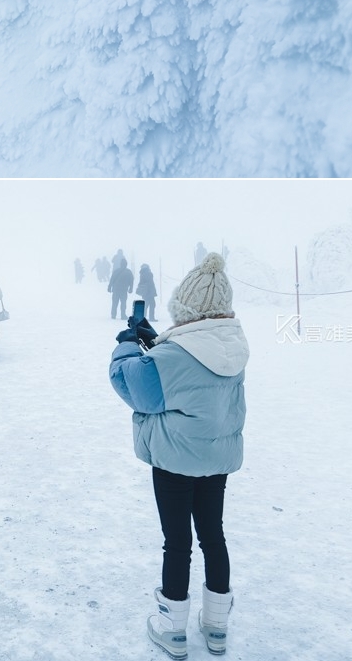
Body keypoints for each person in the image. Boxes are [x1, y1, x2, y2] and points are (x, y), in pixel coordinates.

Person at [108, 253, 248, 658]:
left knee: (177, 542)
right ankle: (217, 626)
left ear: (185, 309)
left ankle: (172, 629)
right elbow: (193, 369)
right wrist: (158, 341)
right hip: (216, 459)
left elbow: (135, 387)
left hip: (174, 461)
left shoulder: (172, 356)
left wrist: (128, 346)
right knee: (212, 536)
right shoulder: (233, 346)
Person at [107, 256, 134, 320]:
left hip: (116, 290)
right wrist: (131, 288)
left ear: (120, 264)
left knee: (115, 303)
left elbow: (112, 279)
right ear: (126, 264)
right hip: (123, 290)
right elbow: (131, 281)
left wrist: (109, 287)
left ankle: (113, 315)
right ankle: (123, 315)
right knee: (123, 303)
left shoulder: (116, 271)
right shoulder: (128, 272)